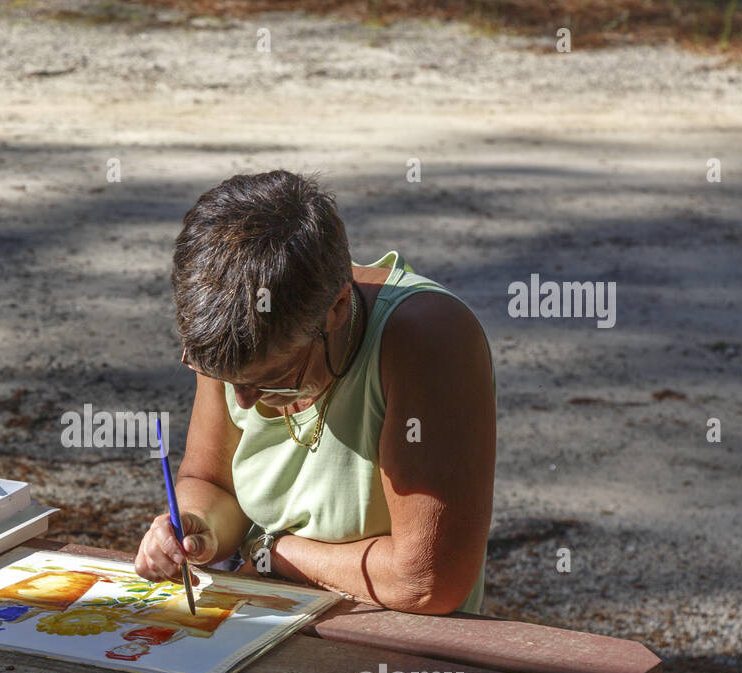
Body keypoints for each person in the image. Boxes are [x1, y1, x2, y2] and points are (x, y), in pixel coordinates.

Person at [134, 170, 496, 615]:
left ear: (338, 309)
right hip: (266, 608)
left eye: (271, 379)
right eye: (228, 382)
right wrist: (195, 527)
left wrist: (278, 555)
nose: (243, 402)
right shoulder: (234, 336)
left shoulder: (428, 340)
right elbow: (211, 483)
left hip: (394, 642)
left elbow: (425, 580)